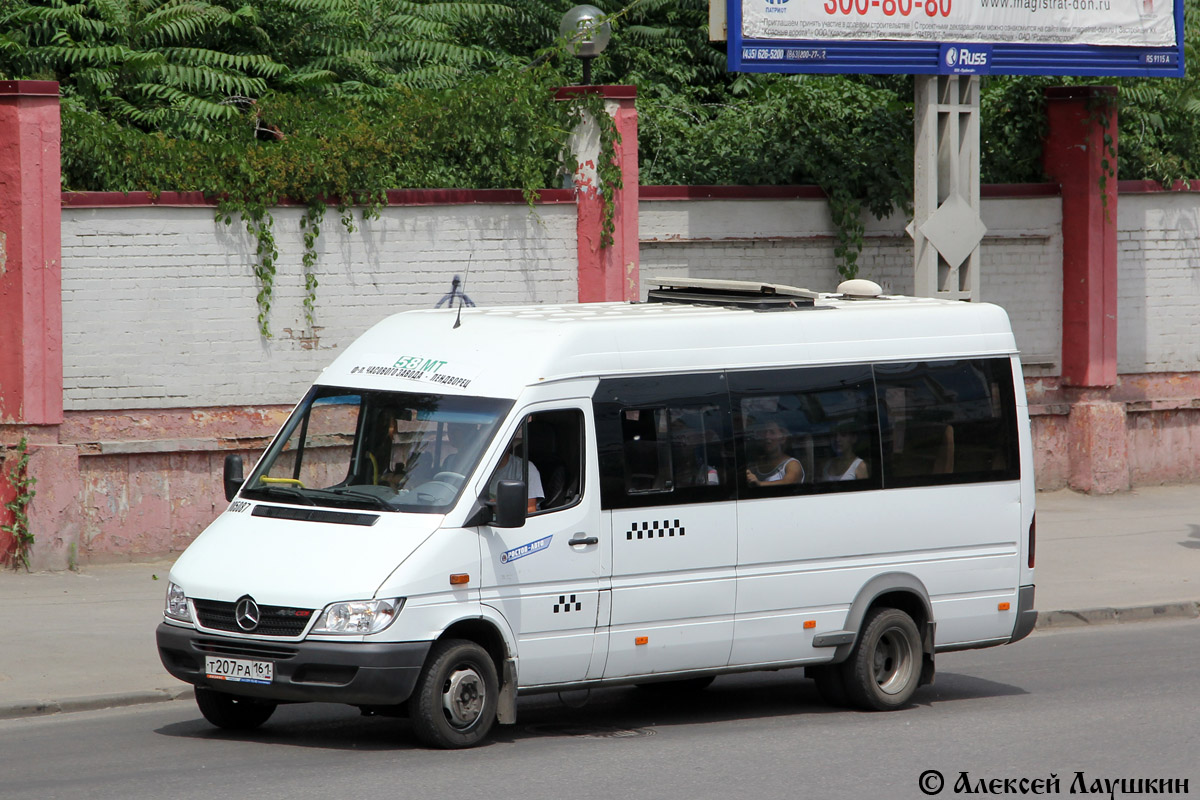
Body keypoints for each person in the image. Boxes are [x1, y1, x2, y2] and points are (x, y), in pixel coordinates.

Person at [487, 432, 544, 513]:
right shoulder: (473, 467)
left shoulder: (526, 469)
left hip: (512, 523)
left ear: (508, 445)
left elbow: (531, 509)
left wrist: (502, 508)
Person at [745, 419, 805, 487]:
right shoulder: (754, 465)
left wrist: (760, 484)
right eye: (764, 432)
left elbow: (789, 483)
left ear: (783, 438)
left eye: (772, 432)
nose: (767, 436)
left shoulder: (792, 464)